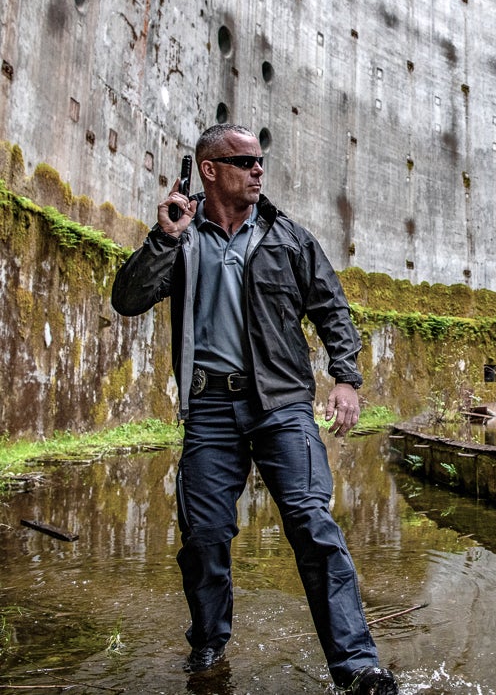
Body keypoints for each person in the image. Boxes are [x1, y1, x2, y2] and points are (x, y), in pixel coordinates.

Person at [111, 123, 399, 694]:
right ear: (211, 169)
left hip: (283, 404)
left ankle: (358, 666)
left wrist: (345, 377)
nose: (258, 170)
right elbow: (128, 299)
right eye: (245, 161)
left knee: (313, 525)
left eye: (260, 161)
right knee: (204, 537)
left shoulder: (287, 237)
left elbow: (332, 308)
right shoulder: (183, 236)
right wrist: (163, 239)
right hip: (210, 408)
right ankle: (210, 646)